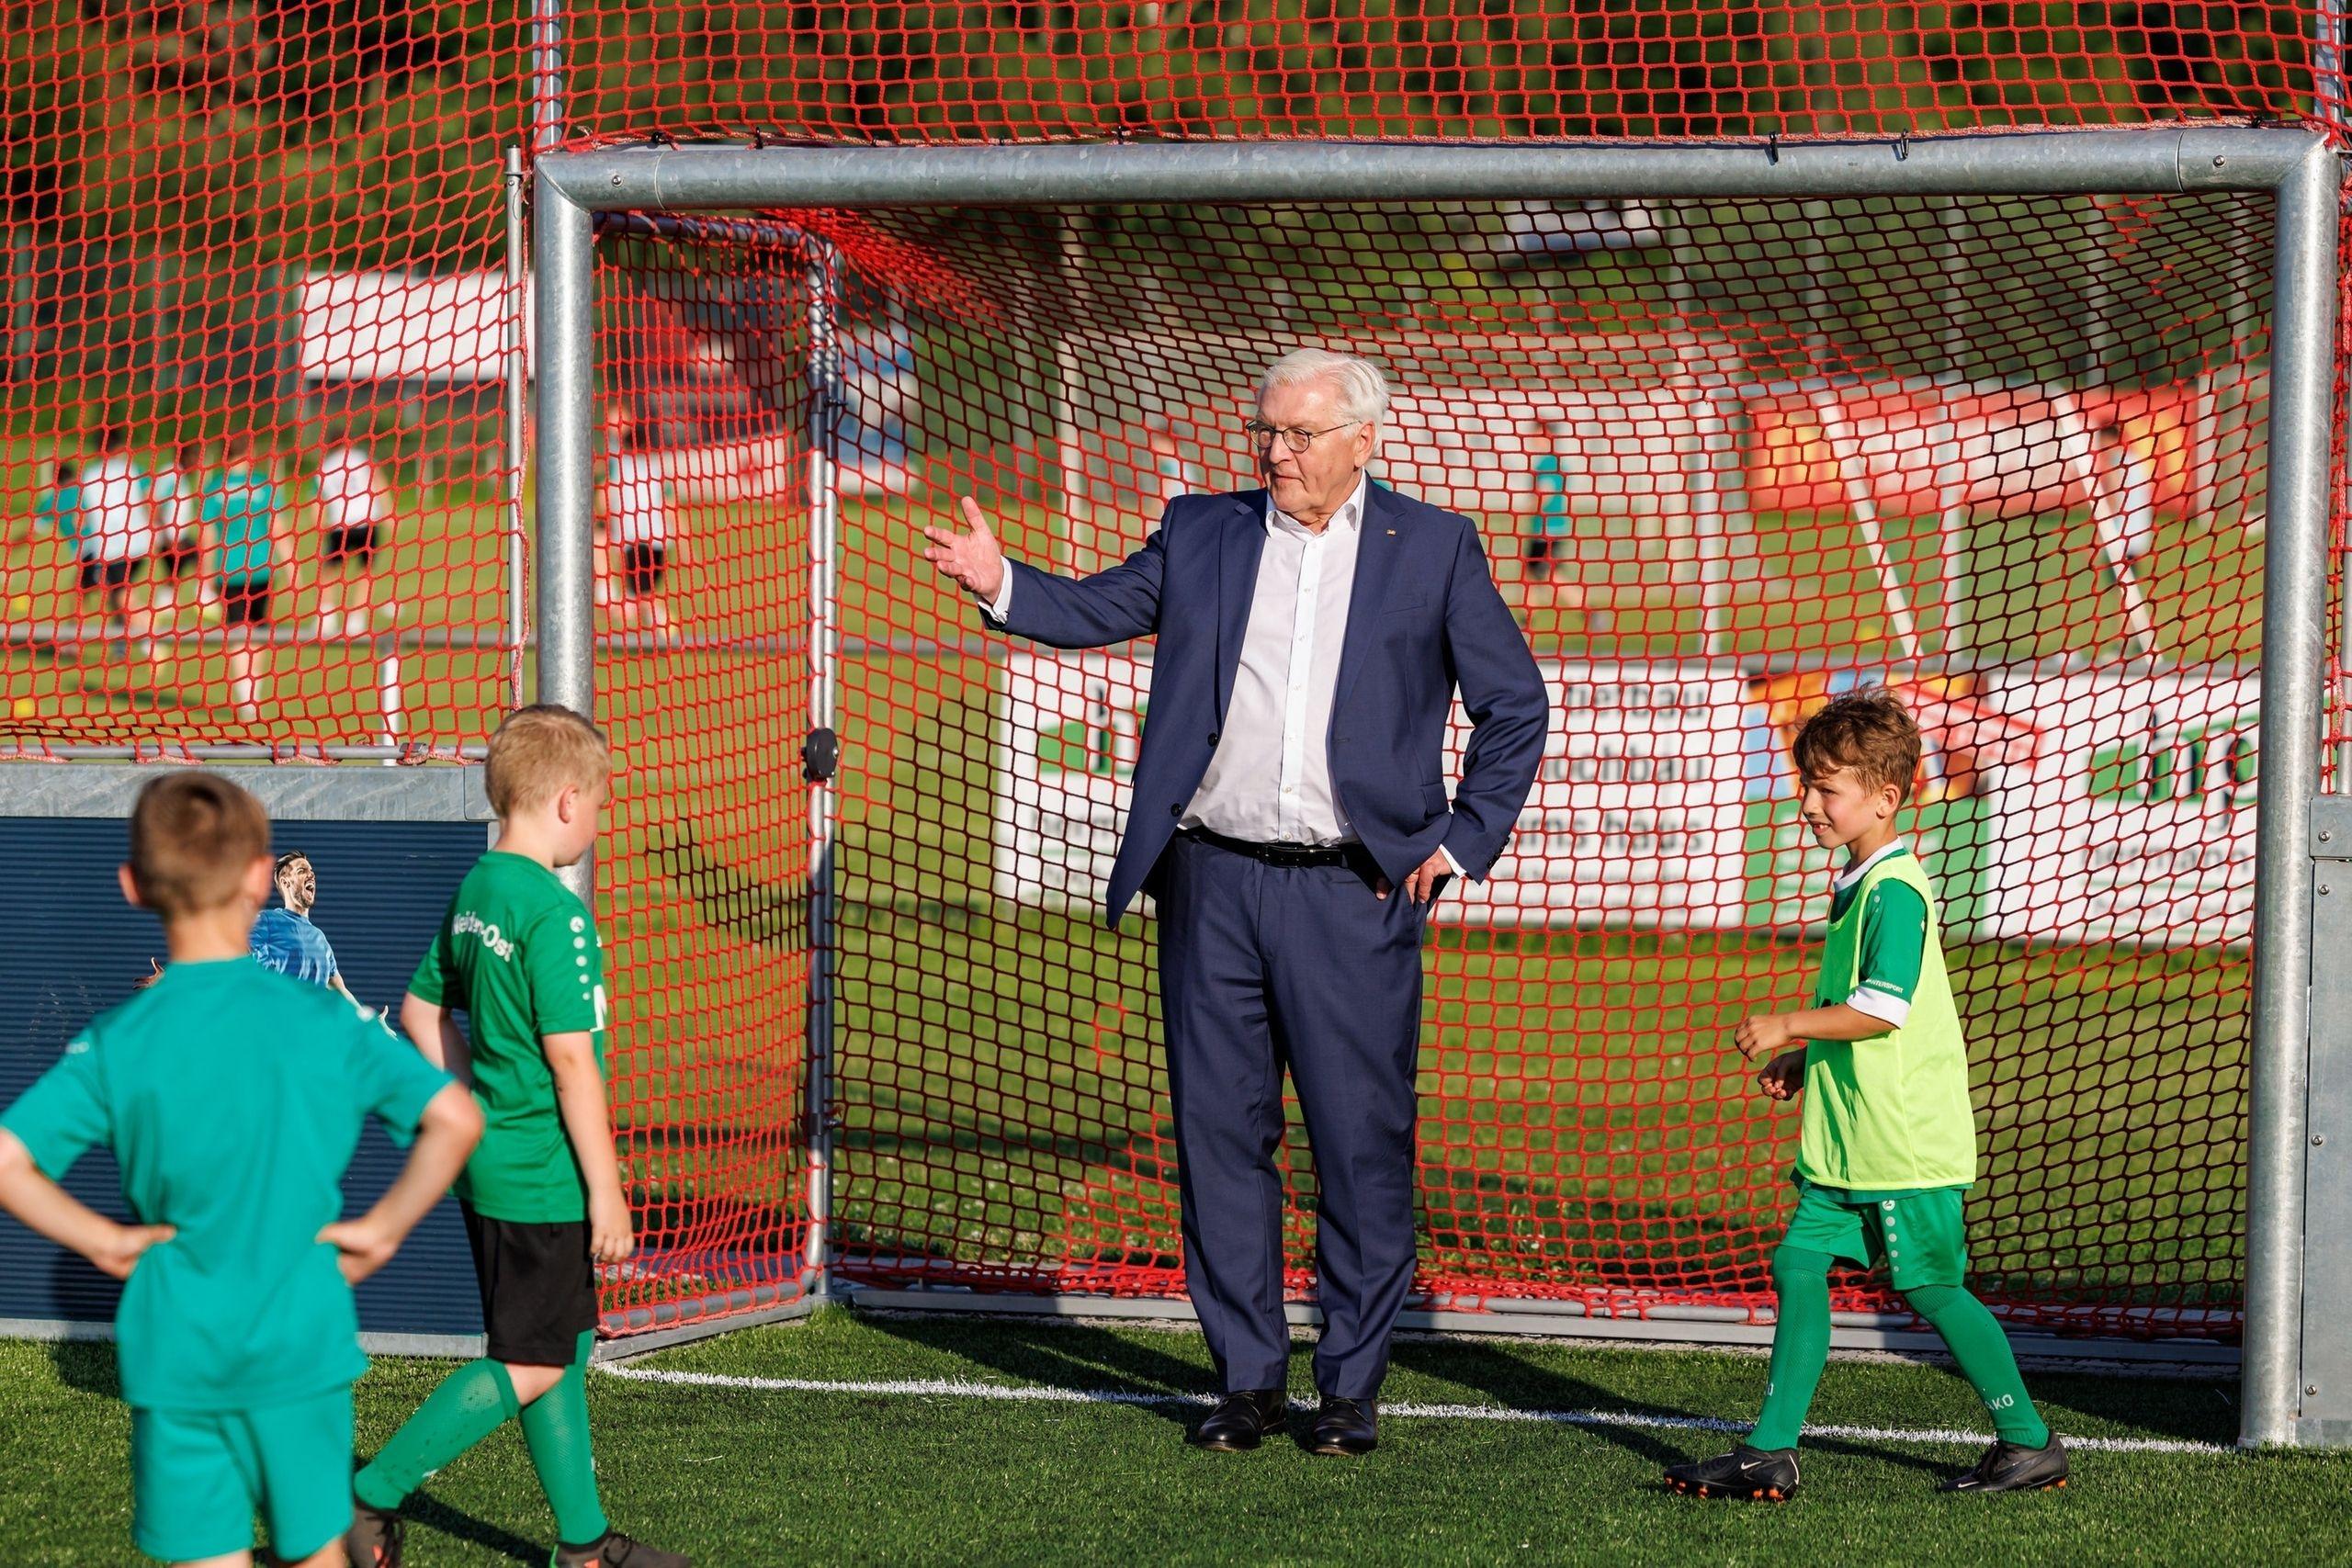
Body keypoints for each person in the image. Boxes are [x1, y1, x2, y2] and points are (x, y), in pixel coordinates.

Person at [923, 348, 1549, 1457]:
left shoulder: (1434, 546)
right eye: (1266, 430)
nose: (1275, 451)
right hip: (1208, 883)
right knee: (1219, 1140)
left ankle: (1348, 1389)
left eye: (1299, 434)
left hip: (1353, 893)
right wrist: (999, 579)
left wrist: (1461, 838)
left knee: (1358, 1145)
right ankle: (1247, 1381)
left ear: (1361, 441)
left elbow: (1514, 705)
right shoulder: (1201, 528)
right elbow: (1097, 606)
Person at [0, 773, 481, 1567]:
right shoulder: (322, 1018)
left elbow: (9, 1158)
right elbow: (456, 1117)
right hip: (300, 1331)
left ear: (134, 885)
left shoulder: (123, 1037)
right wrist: (381, 1229)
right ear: (262, 878)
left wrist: (105, 1242)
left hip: (175, 1340)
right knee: (316, 1552)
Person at [1665, 687, 2067, 1500]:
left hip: (1902, 1143)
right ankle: (1770, 1450)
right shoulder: (1860, 880)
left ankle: (2028, 1440)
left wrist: (1788, 1024)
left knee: (1931, 1288)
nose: (1809, 804)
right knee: (1798, 1262)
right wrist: (1807, 1056)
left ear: (1885, 797)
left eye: (1827, 788)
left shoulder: (1894, 889)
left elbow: (1884, 1007)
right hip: (1853, 1141)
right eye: (1806, 785)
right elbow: (1860, 1011)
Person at [347, 705, 689, 1568]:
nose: (598, 821)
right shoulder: (553, 913)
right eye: (600, 804)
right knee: (530, 1360)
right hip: (541, 1177)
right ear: (569, 800)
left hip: (492, 1164)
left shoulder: (478, 890)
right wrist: (607, 1189)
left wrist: (470, 1103)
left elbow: (420, 1009)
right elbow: (573, 1063)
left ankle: (584, 1545)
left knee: (558, 1348)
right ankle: (369, 1496)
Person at [202, 434, 287, 723]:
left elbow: (208, 538)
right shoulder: (263, 485)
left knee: (238, 632)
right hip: (261, 569)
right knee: (257, 631)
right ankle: (254, 695)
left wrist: (205, 576)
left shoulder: (214, 489)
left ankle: (245, 696)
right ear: (250, 452)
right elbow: (278, 529)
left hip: (229, 570)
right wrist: (292, 568)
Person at [251, 849, 370, 1011]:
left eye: (311, 871)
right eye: (302, 871)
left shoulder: (320, 939)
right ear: (286, 883)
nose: (311, 875)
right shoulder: (267, 920)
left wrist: (368, 1020)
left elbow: (341, 990)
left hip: (312, 1024)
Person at [81, 426, 156, 656]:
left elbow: (82, 515)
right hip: (138, 543)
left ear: (98, 448)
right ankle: (121, 644)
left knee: (123, 594)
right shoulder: (133, 469)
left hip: (112, 547)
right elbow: (149, 501)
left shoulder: (90, 475)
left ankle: (150, 637)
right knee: (117, 592)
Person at [600, 419, 675, 642]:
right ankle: (656, 632)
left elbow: (605, 496)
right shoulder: (656, 468)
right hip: (657, 538)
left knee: (642, 594)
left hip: (632, 538)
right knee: (645, 592)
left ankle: (660, 631)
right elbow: (669, 503)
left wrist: (607, 523)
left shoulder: (620, 467)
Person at [314, 440, 393, 638]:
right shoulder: (363, 459)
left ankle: (326, 617)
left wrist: (319, 522)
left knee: (330, 570)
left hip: (340, 523)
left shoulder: (326, 465)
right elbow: (380, 483)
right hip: (367, 521)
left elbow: (318, 498)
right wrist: (389, 513)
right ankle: (356, 620)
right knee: (365, 571)